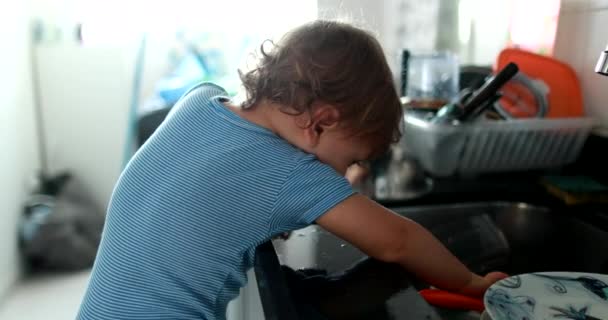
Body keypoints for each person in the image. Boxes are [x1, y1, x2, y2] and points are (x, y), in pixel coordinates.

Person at [77, 20, 507, 320]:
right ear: (319, 122)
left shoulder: (199, 99)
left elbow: (204, 193)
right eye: (351, 161)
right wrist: (473, 282)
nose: (344, 179)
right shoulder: (290, 171)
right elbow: (398, 241)